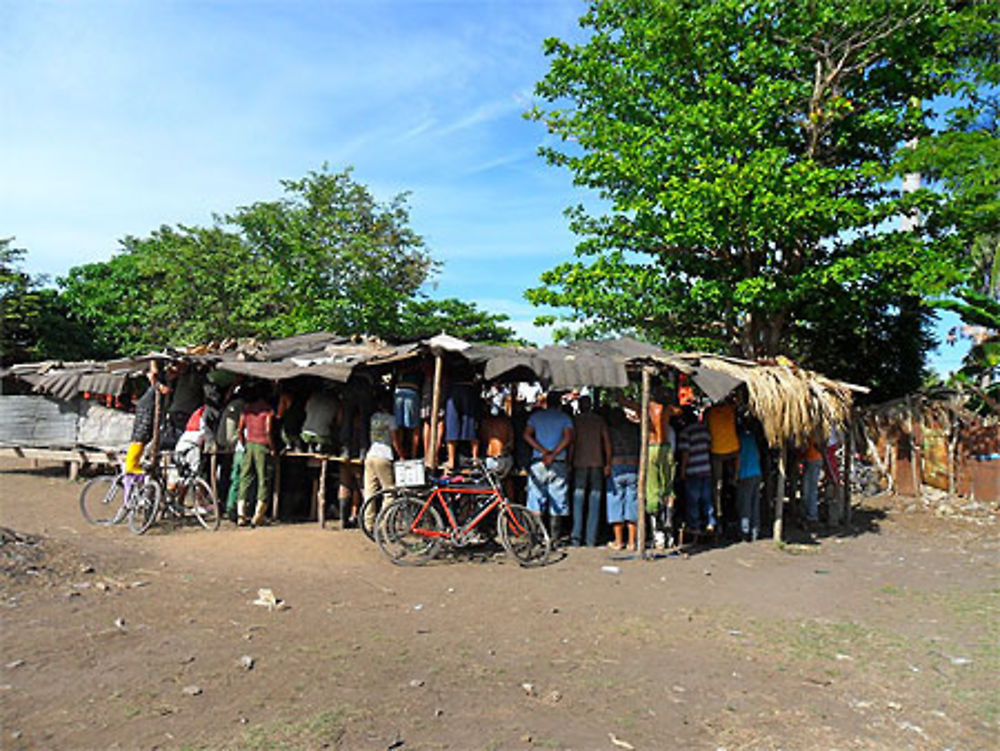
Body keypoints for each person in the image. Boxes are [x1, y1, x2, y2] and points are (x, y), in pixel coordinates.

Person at [523, 390, 574, 544]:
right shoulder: (565, 418)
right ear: (560, 403)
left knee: (535, 499)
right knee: (558, 499)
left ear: (546, 402)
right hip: (557, 462)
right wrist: (553, 453)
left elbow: (526, 435)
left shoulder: (536, 417)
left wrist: (542, 451)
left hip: (538, 461)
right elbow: (568, 438)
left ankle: (536, 536)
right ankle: (554, 538)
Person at [570, 395, 611, 547]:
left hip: (579, 462)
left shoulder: (576, 421)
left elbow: (572, 444)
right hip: (597, 462)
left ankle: (576, 538)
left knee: (578, 501)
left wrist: (569, 461)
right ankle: (591, 539)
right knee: (595, 501)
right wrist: (608, 462)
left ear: (580, 406)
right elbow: (606, 442)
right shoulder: (599, 421)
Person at [362, 394, 404, 531]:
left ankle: (368, 524)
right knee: (389, 491)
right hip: (384, 456)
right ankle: (384, 524)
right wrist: (402, 455)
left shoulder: (373, 417)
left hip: (370, 455)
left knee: (370, 491)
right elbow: (394, 440)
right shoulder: (391, 419)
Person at [235, 385, 275, 527]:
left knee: (245, 478)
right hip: (262, 445)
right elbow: (268, 430)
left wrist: (244, 443)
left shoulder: (247, 411)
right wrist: (272, 448)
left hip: (249, 444)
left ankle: (241, 514)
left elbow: (239, 429)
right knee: (263, 479)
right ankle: (258, 515)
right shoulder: (268, 411)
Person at [606, 403, 640, 551]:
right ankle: (632, 542)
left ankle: (619, 541)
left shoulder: (611, 431)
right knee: (632, 503)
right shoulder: (634, 429)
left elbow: (608, 448)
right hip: (633, 465)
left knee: (615, 503)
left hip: (616, 466)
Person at [677, 407, 714, 534]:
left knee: (693, 500)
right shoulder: (704, 430)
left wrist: (682, 471)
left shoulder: (685, 433)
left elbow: (685, 454)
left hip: (693, 470)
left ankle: (695, 525)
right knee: (706, 498)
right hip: (706, 468)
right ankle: (710, 522)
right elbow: (709, 446)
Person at [706, 398, 740, 529]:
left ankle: (717, 511)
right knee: (731, 481)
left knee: (716, 484)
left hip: (717, 451)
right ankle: (733, 481)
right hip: (733, 449)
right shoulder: (731, 409)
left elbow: (707, 429)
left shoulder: (710, 412)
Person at [445, 370, 480, 471]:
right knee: (453, 424)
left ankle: (474, 458)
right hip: (458, 387)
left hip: (466, 387)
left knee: (470, 424)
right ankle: (453, 460)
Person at [736, 420, 762, 542]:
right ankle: (755, 531)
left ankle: (744, 532)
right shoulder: (751, 438)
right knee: (755, 503)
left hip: (745, 475)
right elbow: (758, 455)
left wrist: (735, 475)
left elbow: (738, 459)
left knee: (745, 504)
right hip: (756, 473)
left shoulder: (739, 440)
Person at [300, 386, 341, 453]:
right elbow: (339, 421)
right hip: (322, 436)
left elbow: (305, 410)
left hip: (305, 433)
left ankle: (311, 447)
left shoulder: (312, 397)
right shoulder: (336, 401)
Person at [394, 368, 423, 459]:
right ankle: (413, 454)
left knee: (399, 426)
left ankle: (400, 455)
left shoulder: (400, 365)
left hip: (398, 390)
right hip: (412, 390)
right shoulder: (417, 366)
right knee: (415, 427)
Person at [801, 439, 823, 531]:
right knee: (807, 490)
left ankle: (812, 517)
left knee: (811, 490)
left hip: (814, 460)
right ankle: (809, 515)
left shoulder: (815, 433)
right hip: (809, 460)